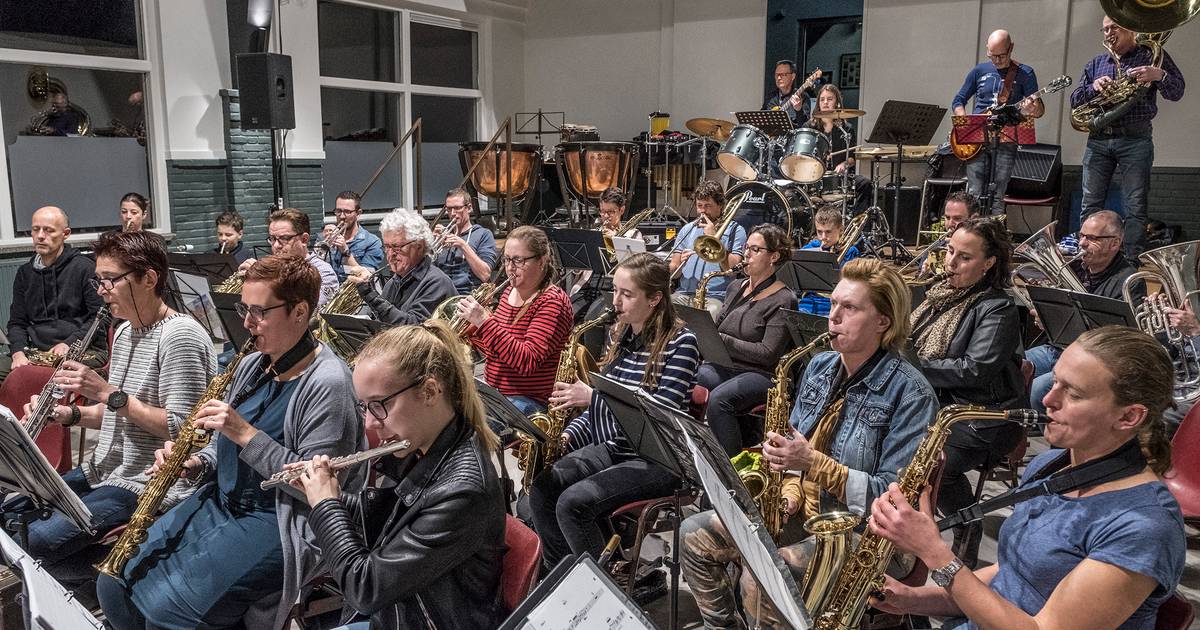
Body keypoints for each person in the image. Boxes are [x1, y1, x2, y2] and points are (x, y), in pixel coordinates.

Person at [96, 254, 366, 630]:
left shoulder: (328, 382)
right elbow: (219, 442)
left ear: (300, 312)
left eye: (259, 312)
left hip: (280, 518)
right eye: (244, 309)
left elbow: (317, 486)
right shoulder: (253, 363)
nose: (246, 323)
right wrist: (198, 462)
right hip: (223, 499)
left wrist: (245, 433)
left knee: (166, 614)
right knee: (112, 584)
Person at [869, 326, 1184, 630]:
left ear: (1129, 416)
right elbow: (1008, 577)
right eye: (1055, 381)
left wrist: (934, 552)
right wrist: (911, 599)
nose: (1048, 399)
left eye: (1073, 394)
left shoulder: (1143, 528)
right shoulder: (1049, 466)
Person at [680, 258, 938, 629]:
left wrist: (812, 463)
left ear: (883, 321)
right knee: (694, 535)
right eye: (833, 304)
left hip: (867, 536)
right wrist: (789, 491)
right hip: (805, 513)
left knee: (762, 580)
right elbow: (793, 447)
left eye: (850, 308)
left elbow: (892, 499)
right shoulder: (819, 367)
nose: (833, 316)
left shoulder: (911, 394)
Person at [4, 231, 215, 573]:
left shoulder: (180, 337)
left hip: (147, 482)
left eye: (110, 280)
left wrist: (107, 392)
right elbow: (118, 413)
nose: (101, 290)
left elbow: (184, 430)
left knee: (33, 540)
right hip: (103, 470)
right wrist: (68, 414)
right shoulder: (126, 330)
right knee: (8, 516)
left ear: (149, 279)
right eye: (98, 280)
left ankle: (100, 581)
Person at [288, 321, 506, 629]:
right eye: (364, 407)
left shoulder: (462, 492)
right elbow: (391, 518)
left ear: (430, 391)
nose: (369, 423)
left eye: (379, 405)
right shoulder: (423, 446)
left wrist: (326, 507)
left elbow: (365, 588)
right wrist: (328, 492)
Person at [530, 253, 700, 568]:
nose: (615, 301)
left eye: (627, 294)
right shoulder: (621, 334)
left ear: (654, 299)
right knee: (543, 488)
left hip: (660, 460)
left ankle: (601, 583)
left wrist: (593, 398)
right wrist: (567, 436)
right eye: (615, 291)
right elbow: (600, 411)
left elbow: (660, 413)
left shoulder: (681, 343)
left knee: (572, 504)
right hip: (618, 447)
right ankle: (561, 571)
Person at [909, 217, 1024, 566]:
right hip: (940, 404)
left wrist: (911, 365)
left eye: (965, 257)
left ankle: (966, 521)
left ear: (988, 263)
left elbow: (976, 370)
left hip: (984, 417)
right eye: (950, 252)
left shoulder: (999, 307)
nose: (951, 263)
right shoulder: (938, 297)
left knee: (928, 460)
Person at [1072, 16, 1185, 258]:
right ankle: (1087, 256)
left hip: (1135, 139)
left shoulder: (1151, 56)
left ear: (1130, 29)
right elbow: (1075, 100)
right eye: (1105, 30)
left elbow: (1177, 91)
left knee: (1135, 206)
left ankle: (1131, 259)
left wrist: (1159, 75)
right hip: (1098, 139)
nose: (1108, 33)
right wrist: (1093, 87)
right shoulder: (1096, 63)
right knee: (1090, 203)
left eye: (1114, 27)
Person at [698, 224, 798, 455]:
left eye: (755, 249)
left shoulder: (784, 298)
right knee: (688, 378)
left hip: (763, 374)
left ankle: (731, 466)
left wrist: (724, 340)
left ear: (774, 256)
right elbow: (719, 327)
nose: (747, 254)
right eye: (746, 248)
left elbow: (768, 353)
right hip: (727, 365)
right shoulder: (735, 287)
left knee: (719, 399)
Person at [457, 226, 574, 416]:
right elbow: (499, 353)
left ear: (541, 261)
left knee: (469, 424)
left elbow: (526, 362)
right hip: (497, 393)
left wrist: (485, 322)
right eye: (507, 259)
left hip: (531, 400)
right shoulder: (508, 293)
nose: (510, 268)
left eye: (518, 260)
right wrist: (474, 331)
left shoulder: (552, 302)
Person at [1028, 211, 1138, 407]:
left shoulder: (1128, 281)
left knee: (1037, 390)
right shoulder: (1073, 267)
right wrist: (1047, 317)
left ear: (1114, 243)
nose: (1082, 243)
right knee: (1012, 366)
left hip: (1092, 361)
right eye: (1081, 235)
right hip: (1057, 349)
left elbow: (1118, 338)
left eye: (1092, 238)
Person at [3, 206, 106, 381]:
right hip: (37, 351)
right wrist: (17, 352)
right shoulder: (24, 273)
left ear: (66, 234)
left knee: (45, 376)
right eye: (35, 229)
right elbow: (17, 322)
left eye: (48, 230)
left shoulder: (85, 268)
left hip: (84, 349)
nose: (40, 236)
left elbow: (100, 318)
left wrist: (69, 343)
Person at [952, 30, 1045, 215]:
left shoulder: (1025, 73)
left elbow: (1039, 110)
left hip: (1006, 140)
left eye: (1001, 56)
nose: (996, 60)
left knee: (998, 194)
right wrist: (964, 123)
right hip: (977, 140)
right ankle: (973, 230)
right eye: (992, 56)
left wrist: (1034, 109)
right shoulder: (979, 71)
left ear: (1011, 48)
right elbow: (958, 100)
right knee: (974, 193)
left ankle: (993, 230)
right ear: (987, 49)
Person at [349, 207, 455, 325]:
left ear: (419, 246)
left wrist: (371, 296)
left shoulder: (437, 282)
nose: (390, 254)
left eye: (397, 247)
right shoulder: (392, 283)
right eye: (387, 246)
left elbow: (413, 328)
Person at [670, 181, 747, 319]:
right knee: (660, 308)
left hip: (715, 297)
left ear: (720, 205)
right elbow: (674, 273)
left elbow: (732, 269)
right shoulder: (687, 229)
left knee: (709, 316)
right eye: (699, 206)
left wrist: (714, 239)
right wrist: (678, 265)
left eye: (708, 206)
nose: (702, 211)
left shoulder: (736, 230)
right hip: (684, 293)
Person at [239, 208, 339, 308]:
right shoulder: (270, 268)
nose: (276, 245)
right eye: (272, 239)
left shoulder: (324, 272)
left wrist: (264, 280)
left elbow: (310, 310)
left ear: (304, 239)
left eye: (284, 238)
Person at [806, 84, 871, 211]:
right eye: (822, 99)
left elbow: (852, 158)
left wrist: (844, 164)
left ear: (837, 103)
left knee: (865, 183)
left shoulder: (846, 129)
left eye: (829, 99)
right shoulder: (810, 127)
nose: (825, 102)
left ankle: (857, 219)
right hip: (815, 177)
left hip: (839, 177)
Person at [432, 187, 499, 295]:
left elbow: (485, 275)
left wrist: (463, 246)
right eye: (449, 209)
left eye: (457, 208)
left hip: (466, 296)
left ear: (469, 208)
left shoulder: (483, 234)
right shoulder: (443, 235)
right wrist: (431, 244)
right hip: (440, 294)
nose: (452, 213)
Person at [797, 206, 861, 316]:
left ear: (841, 230)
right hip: (809, 302)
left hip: (837, 304)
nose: (823, 237)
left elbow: (854, 287)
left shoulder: (851, 252)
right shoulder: (809, 249)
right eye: (819, 232)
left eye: (828, 232)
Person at [325, 191, 384, 283]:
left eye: (347, 212)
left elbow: (366, 278)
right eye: (338, 211)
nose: (342, 216)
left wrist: (346, 252)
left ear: (358, 213)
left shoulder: (372, 242)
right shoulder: (327, 237)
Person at [762, 59, 810, 125]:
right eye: (777, 75)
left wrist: (799, 110)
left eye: (783, 74)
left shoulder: (802, 96)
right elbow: (761, 118)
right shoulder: (770, 97)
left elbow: (805, 125)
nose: (779, 78)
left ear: (792, 76)